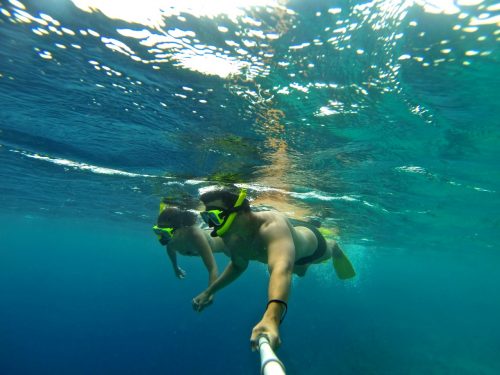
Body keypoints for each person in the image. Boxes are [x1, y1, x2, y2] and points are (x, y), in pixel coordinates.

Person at [191, 188, 355, 351]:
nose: (211, 224)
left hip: (312, 246)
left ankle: (334, 248)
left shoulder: (272, 227)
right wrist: (209, 291)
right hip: (291, 247)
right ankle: (303, 262)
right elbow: (238, 265)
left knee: (321, 255)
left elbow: (281, 268)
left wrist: (272, 318)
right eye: (207, 217)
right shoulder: (232, 236)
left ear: (240, 213)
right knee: (300, 271)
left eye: (215, 217)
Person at [153, 203, 229, 289]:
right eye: (158, 231)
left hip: (226, 243)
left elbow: (213, 269)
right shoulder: (172, 240)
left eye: (165, 232)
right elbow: (170, 250)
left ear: (181, 228)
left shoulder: (195, 235)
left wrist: (209, 293)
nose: (162, 237)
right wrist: (175, 267)